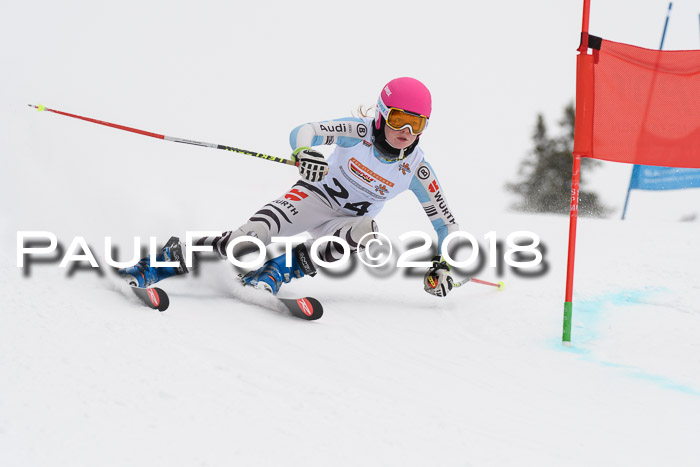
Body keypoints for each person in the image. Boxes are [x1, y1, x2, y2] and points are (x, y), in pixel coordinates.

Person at [120, 77, 460, 297]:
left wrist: (441, 262)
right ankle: (161, 262)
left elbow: (445, 224)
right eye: (399, 118)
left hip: (343, 225)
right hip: (313, 198)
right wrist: (305, 152)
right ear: (383, 114)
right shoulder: (357, 132)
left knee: (369, 231)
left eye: (417, 124)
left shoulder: (417, 170)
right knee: (244, 241)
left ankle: (276, 271)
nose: (406, 130)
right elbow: (305, 130)